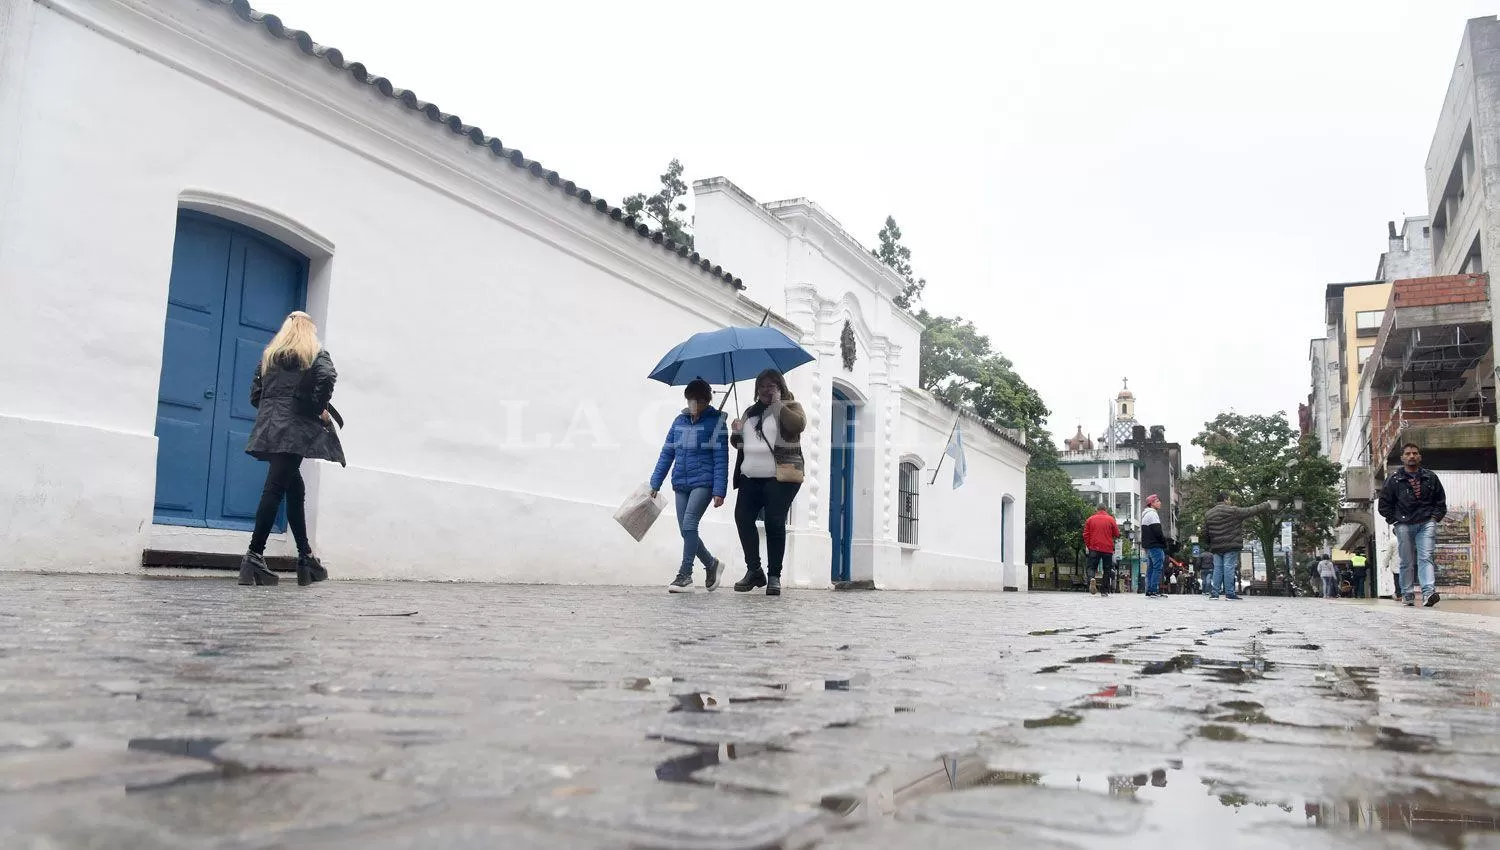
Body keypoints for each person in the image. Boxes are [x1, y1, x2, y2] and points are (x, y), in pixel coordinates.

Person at [240, 311, 345, 587]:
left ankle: (305, 558)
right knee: (274, 488)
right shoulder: (314, 354)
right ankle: (254, 555)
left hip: (269, 428)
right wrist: (317, 408)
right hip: (294, 430)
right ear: (308, 330)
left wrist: (274, 410)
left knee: (294, 488)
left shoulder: (269, 357)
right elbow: (328, 376)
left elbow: (255, 396)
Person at [730, 369, 806, 597]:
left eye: (771, 385)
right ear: (756, 389)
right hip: (750, 476)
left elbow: (797, 426)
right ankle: (754, 570)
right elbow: (740, 443)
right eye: (762, 386)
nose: (766, 390)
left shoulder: (791, 407)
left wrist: (777, 405)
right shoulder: (749, 412)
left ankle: (774, 576)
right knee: (742, 518)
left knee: (774, 522)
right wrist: (736, 432)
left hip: (780, 476)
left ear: (780, 387)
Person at [650, 379, 729, 593]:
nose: (693, 403)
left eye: (698, 400)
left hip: (704, 481)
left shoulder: (717, 423)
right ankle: (711, 564)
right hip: (681, 482)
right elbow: (667, 453)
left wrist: (719, 490)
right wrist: (655, 482)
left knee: (689, 525)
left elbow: (721, 458)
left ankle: (685, 575)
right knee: (686, 531)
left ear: (706, 400)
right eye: (690, 399)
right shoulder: (679, 421)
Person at [1378, 442, 1448, 608]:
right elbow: (1384, 504)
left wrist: (1434, 518)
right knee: (1406, 560)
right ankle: (1407, 593)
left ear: (1420, 457)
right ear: (1402, 457)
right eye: (1408, 453)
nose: (1412, 456)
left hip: (1426, 522)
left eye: (1415, 453)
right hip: (1403, 524)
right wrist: (1394, 520)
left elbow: (1440, 501)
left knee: (1426, 557)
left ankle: (1428, 593)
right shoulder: (1394, 480)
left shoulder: (1430, 477)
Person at [1201, 493, 1273, 601]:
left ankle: (1214, 594)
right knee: (1228, 567)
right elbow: (1251, 510)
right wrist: (1266, 504)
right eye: (1229, 499)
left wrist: (1209, 544)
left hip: (1216, 546)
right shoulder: (1233, 511)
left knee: (1218, 569)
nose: (1230, 501)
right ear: (1226, 500)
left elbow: (1205, 532)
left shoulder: (1209, 514)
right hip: (1230, 544)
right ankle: (1230, 593)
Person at [1083, 506, 1120, 597]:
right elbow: (1117, 533)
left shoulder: (1090, 519)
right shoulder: (1110, 519)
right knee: (1107, 569)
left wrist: (1089, 545)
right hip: (1107, 548)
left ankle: (1092, 578)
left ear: (1097, 510)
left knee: (1091, 567)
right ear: (1105, 510)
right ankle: (1104, 590)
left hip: (1094, 547)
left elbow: (1086, 534)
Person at [1141, 495, 1168, 598]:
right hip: (1155, 545)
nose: (1159, 503)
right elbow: (1157, 531)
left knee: (1151, 568)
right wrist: (1164, 542)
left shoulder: (1145, 514)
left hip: (1149, 545)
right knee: (1157, 567)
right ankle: (1153, 590)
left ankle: (1149, 590)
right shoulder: (1152, 514)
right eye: (1157, 501)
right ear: (1151, 503)